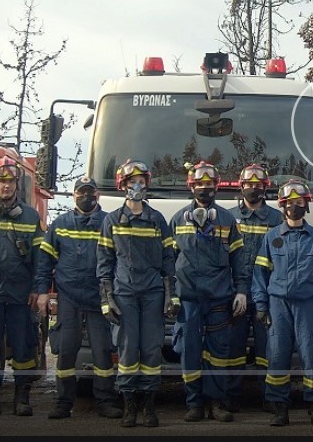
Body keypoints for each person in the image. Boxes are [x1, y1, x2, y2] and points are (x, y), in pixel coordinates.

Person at [35, 176, 124, 420]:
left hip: (99, 298)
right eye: (81, 192)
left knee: (103, 352)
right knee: (65, 351)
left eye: (90, 192)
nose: (86, 197)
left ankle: (105, 401)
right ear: (73, 195)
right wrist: (43, 291)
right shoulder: (61, 224)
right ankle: (63, 403)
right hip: (69, 297)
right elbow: (45, 261)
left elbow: (120, 259)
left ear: (97, 195)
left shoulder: (109, 222)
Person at [97, 159, 176, 428]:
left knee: (152, 350)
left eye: (142, 182)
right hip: (125, 294)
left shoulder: (157, 220)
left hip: (153, 293)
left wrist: (170, 295)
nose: (137, 186)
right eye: (132, 182)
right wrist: (107, 299)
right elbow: (104, 263)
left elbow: (168, 260)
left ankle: (149, 407)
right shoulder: (111, 221)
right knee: (128, 350)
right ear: (123, 186)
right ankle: (130, 406)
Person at [252, 180, 313, 427]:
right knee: (277, 356)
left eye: (299, 202)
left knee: (311, 357)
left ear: (306, 205)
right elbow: (260, 275)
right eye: (289, 203)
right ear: (282, 206)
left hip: (308, 305)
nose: (294, 207)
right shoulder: (272, 238)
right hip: (278, 306)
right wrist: (260, 305)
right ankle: (280, 408)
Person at [169, 161, 248, 423]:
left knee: (219, 353)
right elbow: (168, 260)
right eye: (200, 184)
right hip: (189, 299)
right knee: (189, 351)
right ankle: (194, 404)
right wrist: (172, 294)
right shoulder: (177, 220)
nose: (205, 188)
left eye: (210, 184)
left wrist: (241, 292)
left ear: (217, 187)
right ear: (191, 186)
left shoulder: (227, 220)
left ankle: (217, 403)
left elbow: (239, 260)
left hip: (218, 299)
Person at [0, 156, 45, 417]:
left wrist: (38, 288)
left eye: (10, 181)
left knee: (24, 346)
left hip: (20, 294)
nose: (6, 186)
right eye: (1, 181)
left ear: (17, 184)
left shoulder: (29, 216)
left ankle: (22, 397)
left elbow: (40, 258)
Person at [224, 164, 283, 413]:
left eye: (258, 185)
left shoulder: (277, 219)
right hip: (235, 292)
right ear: (241, 186)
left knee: (266, 348)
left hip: (267, 293)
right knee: (234, 347)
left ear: (265, 188)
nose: (253, 189)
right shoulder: (228, 217)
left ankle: (269, 396)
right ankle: (231, 396)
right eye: (249, 185)